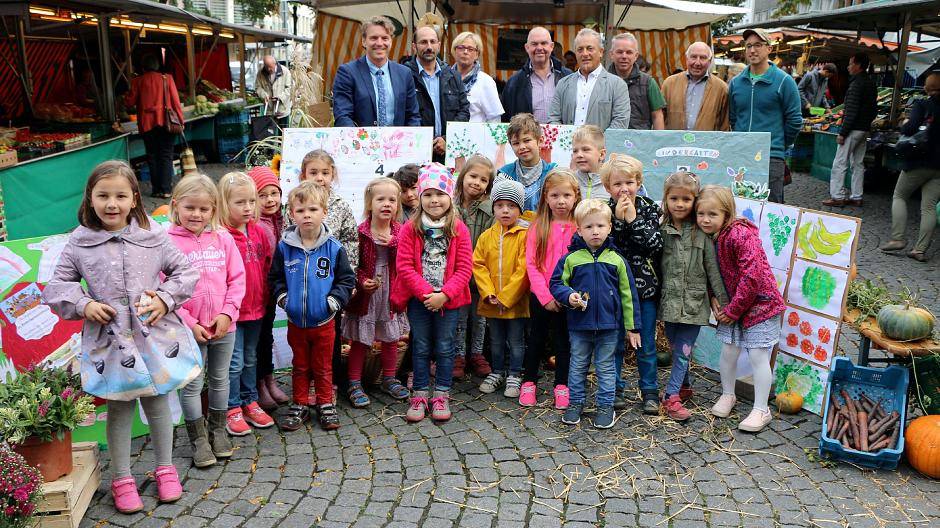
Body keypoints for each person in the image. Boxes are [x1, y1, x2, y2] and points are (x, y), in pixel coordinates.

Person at [44, 161, 201, 513]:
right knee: (119, 408)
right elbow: (58, 286)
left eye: (120, 196)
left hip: (153, 338)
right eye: (103, 196)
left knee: (159, 402)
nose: (111, 204)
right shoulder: (79, 243)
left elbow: (186, 273)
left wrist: (164, 298)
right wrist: (84, 304)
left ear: (134, 199)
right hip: (111, 344)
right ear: (90, 199)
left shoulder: (153, 238)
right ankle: (123, 478)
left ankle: (165, 468)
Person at [168, 175, 245, 469]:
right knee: (192, 384)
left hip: (224, 325)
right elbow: (164, 288)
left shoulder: (223, 239)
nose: (196, 215)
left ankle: (218, 429)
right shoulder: (167, 243)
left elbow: (237, 280)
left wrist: (227, 313)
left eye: (204, 209)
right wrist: (189, 322)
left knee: (221, 378)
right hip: (189, 329)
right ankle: (198, 439)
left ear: (213, 209)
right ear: (176, 206)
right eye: (190, 208)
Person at [697, 185, 785, 433]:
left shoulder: (739, 235)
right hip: (734, 304)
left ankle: (761, 409)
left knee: (758, 355)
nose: (705, 219)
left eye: (712, 214)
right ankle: (728, 394)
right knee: (728, 351)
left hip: (760, 304)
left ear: (726, 214)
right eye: (701, 213)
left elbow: (752, 277)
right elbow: (712, 271)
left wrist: (733, 310)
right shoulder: (709, 237)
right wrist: (714, 297)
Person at [390, 163, 473, 423]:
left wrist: (444, 295)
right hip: (420, 301)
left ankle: (442, 393)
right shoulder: (409, 229)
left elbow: (464, 268)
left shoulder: (459, 230)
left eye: (440, 194)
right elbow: (404, 266)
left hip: (450, 300)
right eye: (428, 194)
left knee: (446, 347)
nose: (434, 200)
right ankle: (420, 393)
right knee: (422, 345)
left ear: (450, 197)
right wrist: (427, 294)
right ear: (421, 198)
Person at [269, 182, 355, 431]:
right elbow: (275, 278)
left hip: (324, 322)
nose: (307, 214)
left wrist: (334, 302)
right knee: (300, 365)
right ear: (292, 213)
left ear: (324, 212)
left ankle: (326, 403)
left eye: (313, 209)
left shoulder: (334, 248)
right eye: (301, 210)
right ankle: (300, 403)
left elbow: (346, 279)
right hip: (297, 322)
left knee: (323, 365)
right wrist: (284, 299)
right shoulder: (285, 248)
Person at [551, 198, 642, 429]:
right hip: (579, 326)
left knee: (606, 367)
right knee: (578, 365)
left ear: (609, 227)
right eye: (589, 227)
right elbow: (556, 283)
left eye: (600, 226)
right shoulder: (571, 259)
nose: (595, 232)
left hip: (609, 328)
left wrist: (632, 327)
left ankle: (605, 406)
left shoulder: (616, 260)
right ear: (579, 230)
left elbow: (628, 295)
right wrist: (568, 296)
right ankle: (576, 403)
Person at [657, 173, 729, 421]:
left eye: (686, 199)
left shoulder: (701, 235)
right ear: (665, 199)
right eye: (674, 198)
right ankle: (685, 386)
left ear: (694, 201)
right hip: (668, 303)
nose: (679, 204)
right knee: (676, 347)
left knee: (683, 350)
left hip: (694, 304)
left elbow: (713, 271)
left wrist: (724, 304)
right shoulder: (661, 230)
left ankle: (671, 396)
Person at [601, 155, 663, 413]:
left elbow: (654, 245)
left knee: (645, 344)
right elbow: (605, 246)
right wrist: (616, 220)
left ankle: (649, 391)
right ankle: (615, 388)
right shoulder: (603, 209)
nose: (623, 189)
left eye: (629, 182)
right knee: (614, 343)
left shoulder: (649, 208)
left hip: (644, 289)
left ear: (638, 182)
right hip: (613, 290)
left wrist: (632, 220)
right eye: (617, 184)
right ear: (608, 188)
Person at [343, 177, 409, 408]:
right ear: (370, 203)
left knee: (391, 337)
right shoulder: (361, 232)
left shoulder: (401, 232)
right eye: (380, 199)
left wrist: (393, 244)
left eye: (392, 200)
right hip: (367, 295)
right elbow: (353, 263)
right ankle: (354, 382)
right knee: (361, 340)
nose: (387, 204)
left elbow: (406, 261)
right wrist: (362, 281)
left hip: (390, 292)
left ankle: (389, 377)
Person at [218, 172, 275, 436]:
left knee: (250, 358)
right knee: (235, 360)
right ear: (224, 203)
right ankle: (231, 407)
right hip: (232, 312)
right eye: (240, 202)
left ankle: (250, 400)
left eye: (252, 201)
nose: (248, 208)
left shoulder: (259, 231)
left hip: (257, 308)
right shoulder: (221, 236)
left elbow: (266, 265)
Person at [300, 150, 358, 394]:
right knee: (303, 337)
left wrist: (349, 278)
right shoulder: (296, 203)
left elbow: (351, 241)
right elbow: (286, 239)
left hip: (331, 283)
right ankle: (307, 382)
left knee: (330, 334)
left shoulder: (340, 206)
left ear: (333, 175)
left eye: (325, 173)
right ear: (303, 174)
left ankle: (330, 382)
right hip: (301, 283)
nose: (319, 178)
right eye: (313, 172)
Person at [522, 169, 580, 409]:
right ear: (546, 197)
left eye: (566, 195)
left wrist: (569, 295)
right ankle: (529, 383)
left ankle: (562, 385)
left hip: (569, 297)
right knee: (535, 339)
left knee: (563, 342)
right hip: (542, 297)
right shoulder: (538, 227)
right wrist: (545, 296)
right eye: (555, 195)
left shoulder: (580, 227)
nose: (561, 201)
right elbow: (532, 266)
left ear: (575, 196)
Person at [728, 28, 802, 203]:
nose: (753, 50)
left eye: (758, 45)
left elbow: (795, 120)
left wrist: (778, 144)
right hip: (741, 154)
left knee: (771, 207)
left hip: (771, 156)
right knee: (740, 204)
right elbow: (733, 117)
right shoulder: (736, 83)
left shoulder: (784, 81)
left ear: (769, 48)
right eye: (748, 46)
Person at [473, 178, 530, 398]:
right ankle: (497, 371)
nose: (505, 211)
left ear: (520, 209)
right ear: (494, 207)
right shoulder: (486, 237)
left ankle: (515, 373)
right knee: (495, 340)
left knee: (516, 340)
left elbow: (524, 269)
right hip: (491, 301)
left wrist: (507, 297)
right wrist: (488, 293)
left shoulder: (525, 236)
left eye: (511, 206)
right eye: (499, 205)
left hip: (515, 302)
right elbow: (478, 264)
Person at [879, 72, 940, 262]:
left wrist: (904, 123)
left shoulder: (923, 104)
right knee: (929, 207)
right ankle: (919, 249)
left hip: (919, 160)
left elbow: (910, 128)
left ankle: (897, 238)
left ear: (927, 87)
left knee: (900, 195)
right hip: (939, 166)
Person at [247, 167, 290, 411]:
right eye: (263, 195)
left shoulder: (281, 220)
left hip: (272, 291)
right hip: (257, 293)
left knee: (267, 336)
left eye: (274, 193)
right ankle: (258, 384)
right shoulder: (256, 225)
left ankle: (268, 379)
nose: (270, 199)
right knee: (259, 339)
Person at [333, 16, 421, 127]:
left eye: (385, 38)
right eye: (374, 38)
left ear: (391, 41)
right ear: (364, 41)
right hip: (361, 142)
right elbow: (343, 116)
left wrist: (408, 141)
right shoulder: (347, 73)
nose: (379, 43)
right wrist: (362, 141)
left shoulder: (404, 73)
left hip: (397, 143)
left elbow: (413, 116)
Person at [453, 155, 495, 379]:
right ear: (463, 177)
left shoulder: (489, 211)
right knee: (459, 315)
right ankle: (458, 354)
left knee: (479, 315)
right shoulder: (451, 205)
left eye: (483, 180)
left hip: (480, 272)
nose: (477, 182)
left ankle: (476, 353)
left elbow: (489, 243)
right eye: (473, 176)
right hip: (457, 273)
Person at [406, 25, 470, 162]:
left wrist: (446, 139)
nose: (429, 46)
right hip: (416, 151)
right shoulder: (404, 74)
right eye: (423, 42)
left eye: (433, 42)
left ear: (439, 45)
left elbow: (464, 111)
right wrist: (425, 141)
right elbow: (403, 113)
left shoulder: (453, 75)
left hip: (448, 150)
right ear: (414, 46)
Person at [124, 54, 184, 199]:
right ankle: (166, 189)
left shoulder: (138, 81)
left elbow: (129, 103)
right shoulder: (167, 78)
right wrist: (181, 121)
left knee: (152, 156)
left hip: (147, 124)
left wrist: (124, 98)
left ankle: (156, 189)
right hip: (166, 123)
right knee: (166, 155)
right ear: (157, 66)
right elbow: (176, 102)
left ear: (144, 67)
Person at [823, 54, 877, 208]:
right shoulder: (870, 83)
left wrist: (843, 132)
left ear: (858, 65)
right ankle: (857, 196)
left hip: (853, 129)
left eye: (850, 63)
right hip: (864, 128)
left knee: (840, 163)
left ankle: (837, 196)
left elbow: (851, 112)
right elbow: (874, 109)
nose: (848, 67)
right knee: (858, 164)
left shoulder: (856, 85)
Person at [549, 29, 631, 130]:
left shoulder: (617, 85)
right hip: (568, 145)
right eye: (580, 49)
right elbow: (554, 118)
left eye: (590, 48)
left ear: (601, 52)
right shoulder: (563, 84)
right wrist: (565, 141)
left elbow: (620, 123)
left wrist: (596, 144)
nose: (585, 54)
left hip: (603, 146)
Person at [501, 27, 573, 123]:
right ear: (527, 48)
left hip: (562, 137)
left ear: (551, 47)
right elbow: (506, 120)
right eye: (534, 44)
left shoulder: (568, 77)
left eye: (543, 43)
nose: (539, 48)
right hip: (528, 137)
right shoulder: (514, 82)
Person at [661, 42, 730, 131]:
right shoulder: (669, 84)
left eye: (703, 58)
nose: (697, 63)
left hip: (705, 144)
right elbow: (660, 117)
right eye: (693, 57)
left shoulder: (721, 88)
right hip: (674, 143)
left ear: (710, 61)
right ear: (686, 59)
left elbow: (724, 125)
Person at [498, 113, 557, 212]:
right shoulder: (504, 174)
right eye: (516, 143)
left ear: (540, 141)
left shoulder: (552, 173)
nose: (522, 147)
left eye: (527, 140)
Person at [608, 33, 666, 130]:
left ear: (636, 56)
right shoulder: (602, 82)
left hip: (640, 141)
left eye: (629, 52)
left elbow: (657, 116)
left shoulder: (648, 82)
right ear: (611, 55)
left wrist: (658, 142)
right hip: (610, 139)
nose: (624, 56)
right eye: (619, 52)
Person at [452, 31, 504, 123]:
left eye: (470, 49)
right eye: (461, 47)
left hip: (475, 136)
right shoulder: (444, 78)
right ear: (454, 51)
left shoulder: (486, 81)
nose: (465, 52)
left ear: (477, 54)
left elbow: (494, 118)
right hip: (446, 136)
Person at [571, 125, 608, 200]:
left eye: (586, 149)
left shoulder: (612, 182)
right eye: (575, 151)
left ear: (602, 154)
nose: (579, 155)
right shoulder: (570, 181)